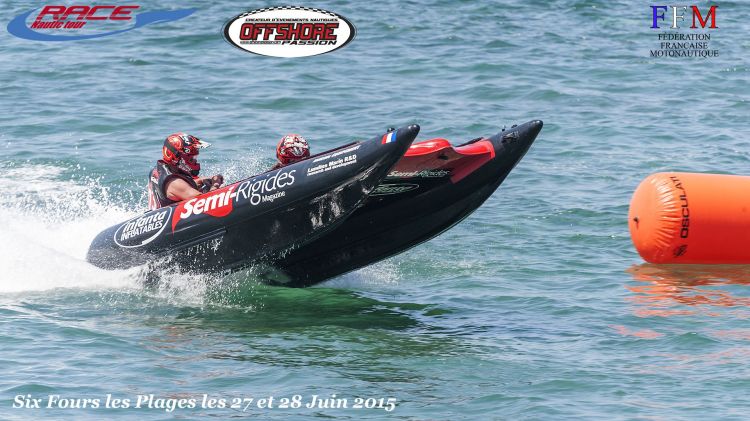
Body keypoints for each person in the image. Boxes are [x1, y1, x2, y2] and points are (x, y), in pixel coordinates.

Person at [147, 132, 224, 210]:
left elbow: (183, 186)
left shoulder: (160, 169)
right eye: (191, 159)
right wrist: (215, 184)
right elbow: (206, 203)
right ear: (176, 157)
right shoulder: (174, 183)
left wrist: (201, 180)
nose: (195, 161)